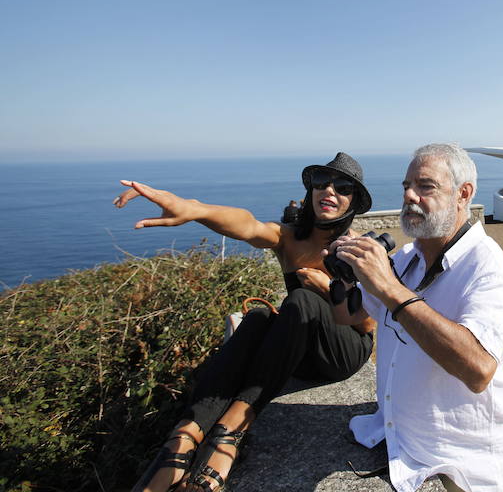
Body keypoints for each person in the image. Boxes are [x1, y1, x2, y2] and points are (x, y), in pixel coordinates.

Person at [115, 152, 377, 492]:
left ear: (353, 201)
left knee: (302, 299)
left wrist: (329, 292)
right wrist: (195, 210)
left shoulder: (360, 248)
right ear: (311, 190)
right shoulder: (290, 238)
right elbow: (248, 225)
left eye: (343, 187)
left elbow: (367, 327)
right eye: (321, 182)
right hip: (300, 351)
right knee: (257, 317)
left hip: (343, 352)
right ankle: (185, 435)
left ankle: (233, 429)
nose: (330, 191)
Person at [326, 143, 503, 492]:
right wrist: (344, 275)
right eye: (406, 186)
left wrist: (391, 288)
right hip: (396, 440)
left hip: (460, 463)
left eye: (425, 186)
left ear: (463, 194)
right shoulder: (406, 259)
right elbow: (347, 315)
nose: (410, 196)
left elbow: (478, 370)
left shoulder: (485, 264)